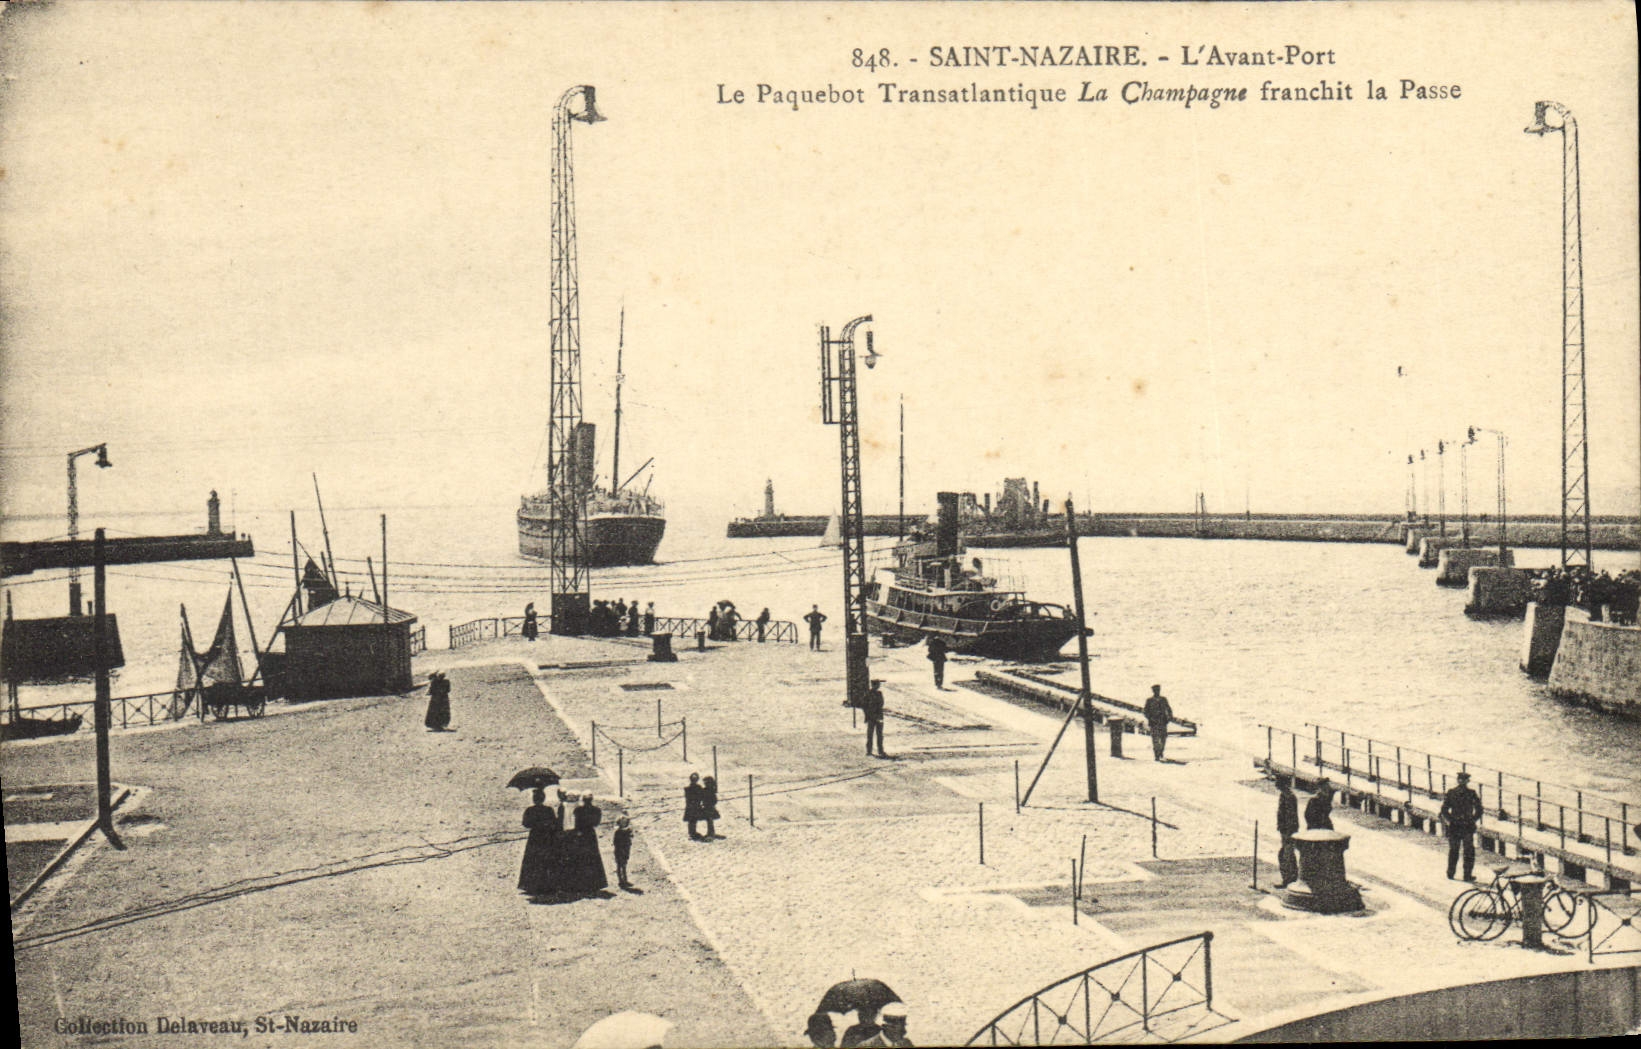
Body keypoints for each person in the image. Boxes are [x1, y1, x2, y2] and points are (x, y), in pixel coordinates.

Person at [518, 787, 564, 898]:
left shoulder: (530, 810)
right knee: (546, 861)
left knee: (533, 860)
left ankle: (532, 885)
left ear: (534, 799)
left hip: (534, 837)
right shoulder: (548, 810)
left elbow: (525, 824)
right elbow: (554, 823)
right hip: (546, 838)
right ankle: (547, 885)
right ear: (543, 798)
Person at [560, 794, 608, 894]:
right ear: (592, 799)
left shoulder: (578, 810)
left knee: (580, 858)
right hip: (590, 835)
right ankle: (594, 883)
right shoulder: (597, 810)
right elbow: (596, 823)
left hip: (581, 835)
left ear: (583, 800)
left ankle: (581, 883)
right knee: (592, 858)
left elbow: (575, 823)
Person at [1441, 770, 1483, 880]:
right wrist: (1472, 820)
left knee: (1454, 850)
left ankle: (1451, 873)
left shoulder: (1451, 792)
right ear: (1467, 781)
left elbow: (1444, 810)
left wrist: (1451, 820)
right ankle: (1466, 875)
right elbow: (1479, 810)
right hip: (1466, 826)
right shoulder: (1472, 793)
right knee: (1468, 852)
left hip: (1455, 826)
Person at [1276, 775, 1300, 888]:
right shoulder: (1284, 795)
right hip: (1285, 830)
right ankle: (1290, 878)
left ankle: (1290, 879)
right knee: (1286, 855)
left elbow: (1291, 817)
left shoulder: (1289, 797)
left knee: (1286, 855)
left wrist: (1288, 832)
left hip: (1289, 831)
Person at [1142, 684, 1172, 761]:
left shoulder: (1163, 699)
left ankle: (1161, 751)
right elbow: (1145, 711)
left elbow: (1168, 709)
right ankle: (1157, 754)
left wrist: (1169, 717)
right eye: (1155, 690)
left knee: (1163, 738)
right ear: (1153, 691)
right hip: (1154, 722)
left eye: (1158, 690)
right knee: (1155, 739)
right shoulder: (1149, 700)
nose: (1157, 691)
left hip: (1163, 721)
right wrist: (1150, 718)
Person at [862, 679, 886, 757]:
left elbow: (865, 706)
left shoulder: (868, 693)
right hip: (875, 717)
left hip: (872, 717)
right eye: (878, 684)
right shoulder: (877, 694)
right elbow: (880, 704)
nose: (879, 686)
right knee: (876, 735)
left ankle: (871, 751)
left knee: (873, 735)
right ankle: (879, 751)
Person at [612, 815, 633, 888]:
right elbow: (615, 842)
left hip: (626, 850)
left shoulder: (627, 830)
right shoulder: (617, 832)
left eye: (625, 822)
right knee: (620, 865)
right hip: (619, 850)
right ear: (619, 823)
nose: (623, 823)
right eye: (622, 822)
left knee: (624, 865)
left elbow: (630, 839)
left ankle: (625, 880)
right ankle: (621, 881)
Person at [684, 772, 706, 840]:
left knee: (693, 820)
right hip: (693, 806)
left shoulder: (688, 788)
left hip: (692, 806)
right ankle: (691, 833)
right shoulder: (693, 788)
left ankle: (692, 832)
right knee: (692, 820)